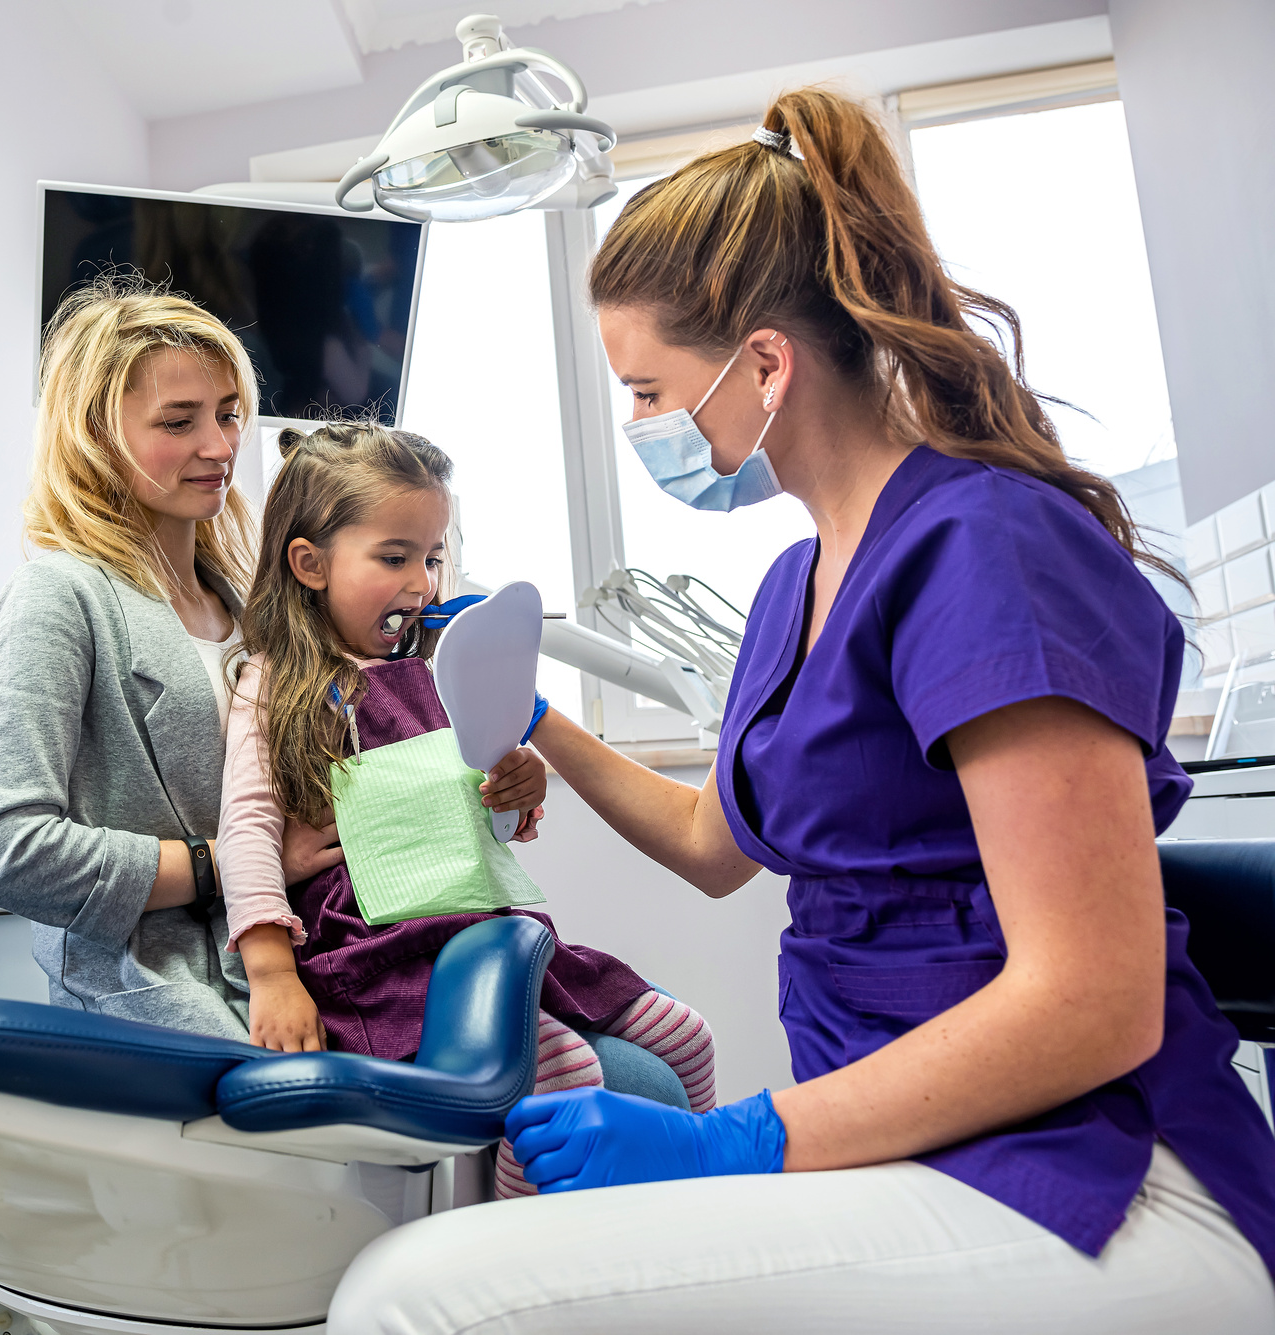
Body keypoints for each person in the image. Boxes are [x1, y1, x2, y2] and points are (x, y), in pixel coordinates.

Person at [330, 88, 1275, 1330]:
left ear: (763, 363)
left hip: (1098, 1175)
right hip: (919, 1145)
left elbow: (1090, 1000)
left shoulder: (984, 548)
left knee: (416, 1297)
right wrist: (528, 714)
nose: (638, 427)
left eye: (649, 391)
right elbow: (714, 849)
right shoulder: (795, 581)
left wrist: (733, 1139)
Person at [217, 421, 718, 1197]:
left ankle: (711, 1211)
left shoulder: (440, 671)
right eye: (394, 557)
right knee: (568, 1071)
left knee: (687, 1037)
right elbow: (246, 832)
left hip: (487, 935)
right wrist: (272, 971)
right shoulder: (274, 683)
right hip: (385, 961)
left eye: (432, 555)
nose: (421, 582)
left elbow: (487, 824)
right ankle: (511, 1257)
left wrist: (517, 794)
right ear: (310, 564)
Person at [0, 277, 338, 1037]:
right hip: (161, 987)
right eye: (179, 420)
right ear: (95, 434)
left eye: (229, 415)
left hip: (307, 959)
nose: (221, 445)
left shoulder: (246, 604)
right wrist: (223, 865)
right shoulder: (60, 597)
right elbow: (4, 850)